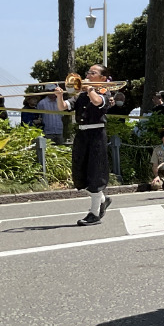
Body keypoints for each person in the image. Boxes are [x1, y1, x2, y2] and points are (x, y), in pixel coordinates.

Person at [55, 65, 114, 226]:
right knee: (80, 172)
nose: (88, 75)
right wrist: (60, 96)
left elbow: (97, 102)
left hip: (97, 134)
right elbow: (63, 107)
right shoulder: (80, 95)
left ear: (102, 78)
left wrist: (89, 89)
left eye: (93, 73)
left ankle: (94, 213)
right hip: (82, 134)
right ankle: (102, 199)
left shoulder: (104, 92)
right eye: (88, 72)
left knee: (95, 172)